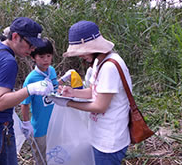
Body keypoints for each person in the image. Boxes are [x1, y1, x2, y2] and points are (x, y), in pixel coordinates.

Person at [48, 20, 132, 165]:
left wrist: (69, 103)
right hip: (99, 135)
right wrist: (72, 92)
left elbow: (100, 106)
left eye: (82, 51)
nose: (81, 56)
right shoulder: (99, 62)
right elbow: (94, 92)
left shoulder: (110, 67)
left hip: (109, 141)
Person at [0, 17, 54, 165]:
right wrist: (30, 89)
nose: (32, 50)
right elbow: (1, 102)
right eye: (30, 44)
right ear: (16, 37)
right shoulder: (8, 61)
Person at [20, 38, 59, 164]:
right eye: (42, 57)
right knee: (41, 157)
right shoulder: (31, 79)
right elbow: (24, 104)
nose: (46, 60)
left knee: (55, 153)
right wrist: (26, 123)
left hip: (54, 122)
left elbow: (55, 89)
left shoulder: (51, 70)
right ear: (33, 57)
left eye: (49, 56)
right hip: (40, 127)